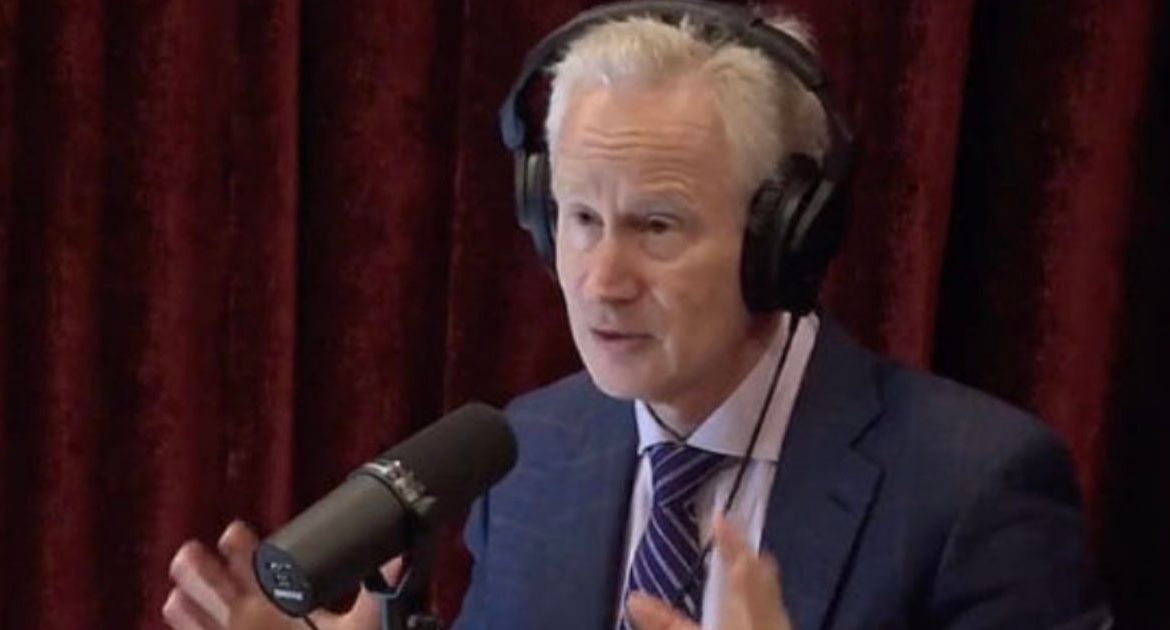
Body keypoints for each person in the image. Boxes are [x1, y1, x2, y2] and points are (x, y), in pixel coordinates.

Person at [164, 2, 1111, 629]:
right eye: (580, 219)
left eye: (657, 225)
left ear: (782, 237)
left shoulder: (972, 487)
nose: (600, 280)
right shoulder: (528, 459)